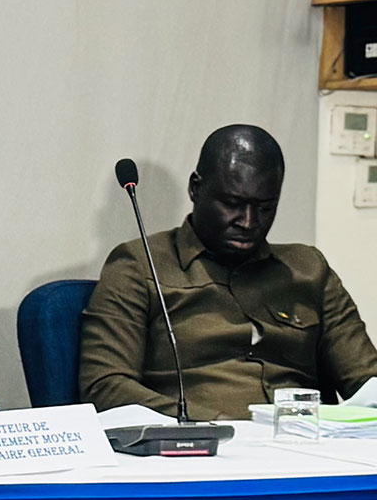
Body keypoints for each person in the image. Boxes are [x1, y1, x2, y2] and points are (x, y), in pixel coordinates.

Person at [79, 124, 377, 420]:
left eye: (265, 208)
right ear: (196, 188)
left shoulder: (309, 269)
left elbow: (367, 380)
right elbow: (105, 386)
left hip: (304, 439)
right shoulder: (139, 265)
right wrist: (211, 424)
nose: (248, 222)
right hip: (200, 441)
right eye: (232, 204)